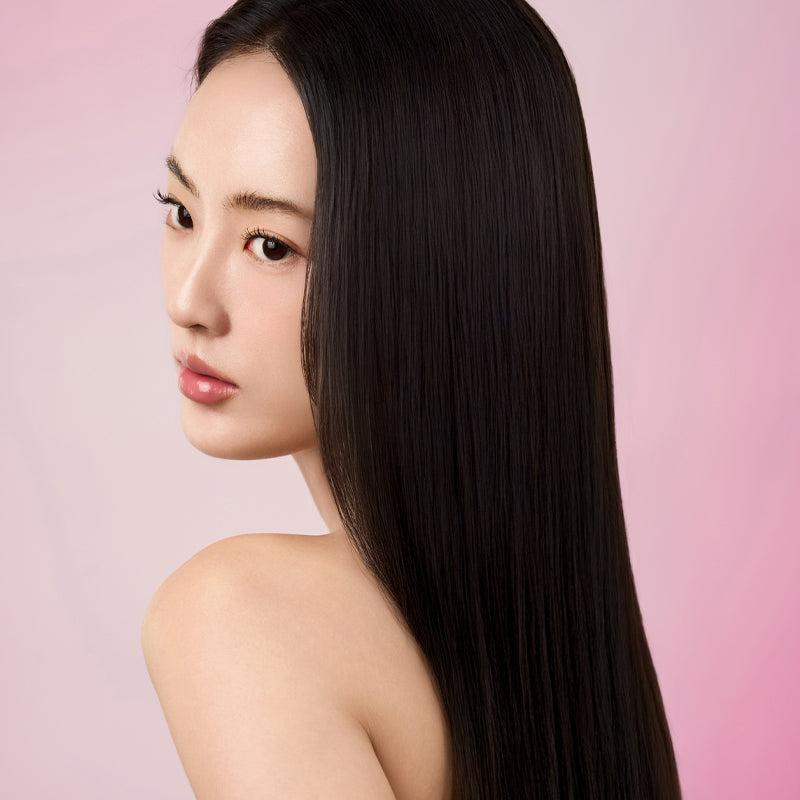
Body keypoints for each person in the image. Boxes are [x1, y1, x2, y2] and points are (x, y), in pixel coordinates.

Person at [142, 1, 683, 798]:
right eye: (181, 213)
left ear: (432, 271)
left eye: (271, 245)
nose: (189, 301)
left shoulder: (237, 616)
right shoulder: (579, 674)